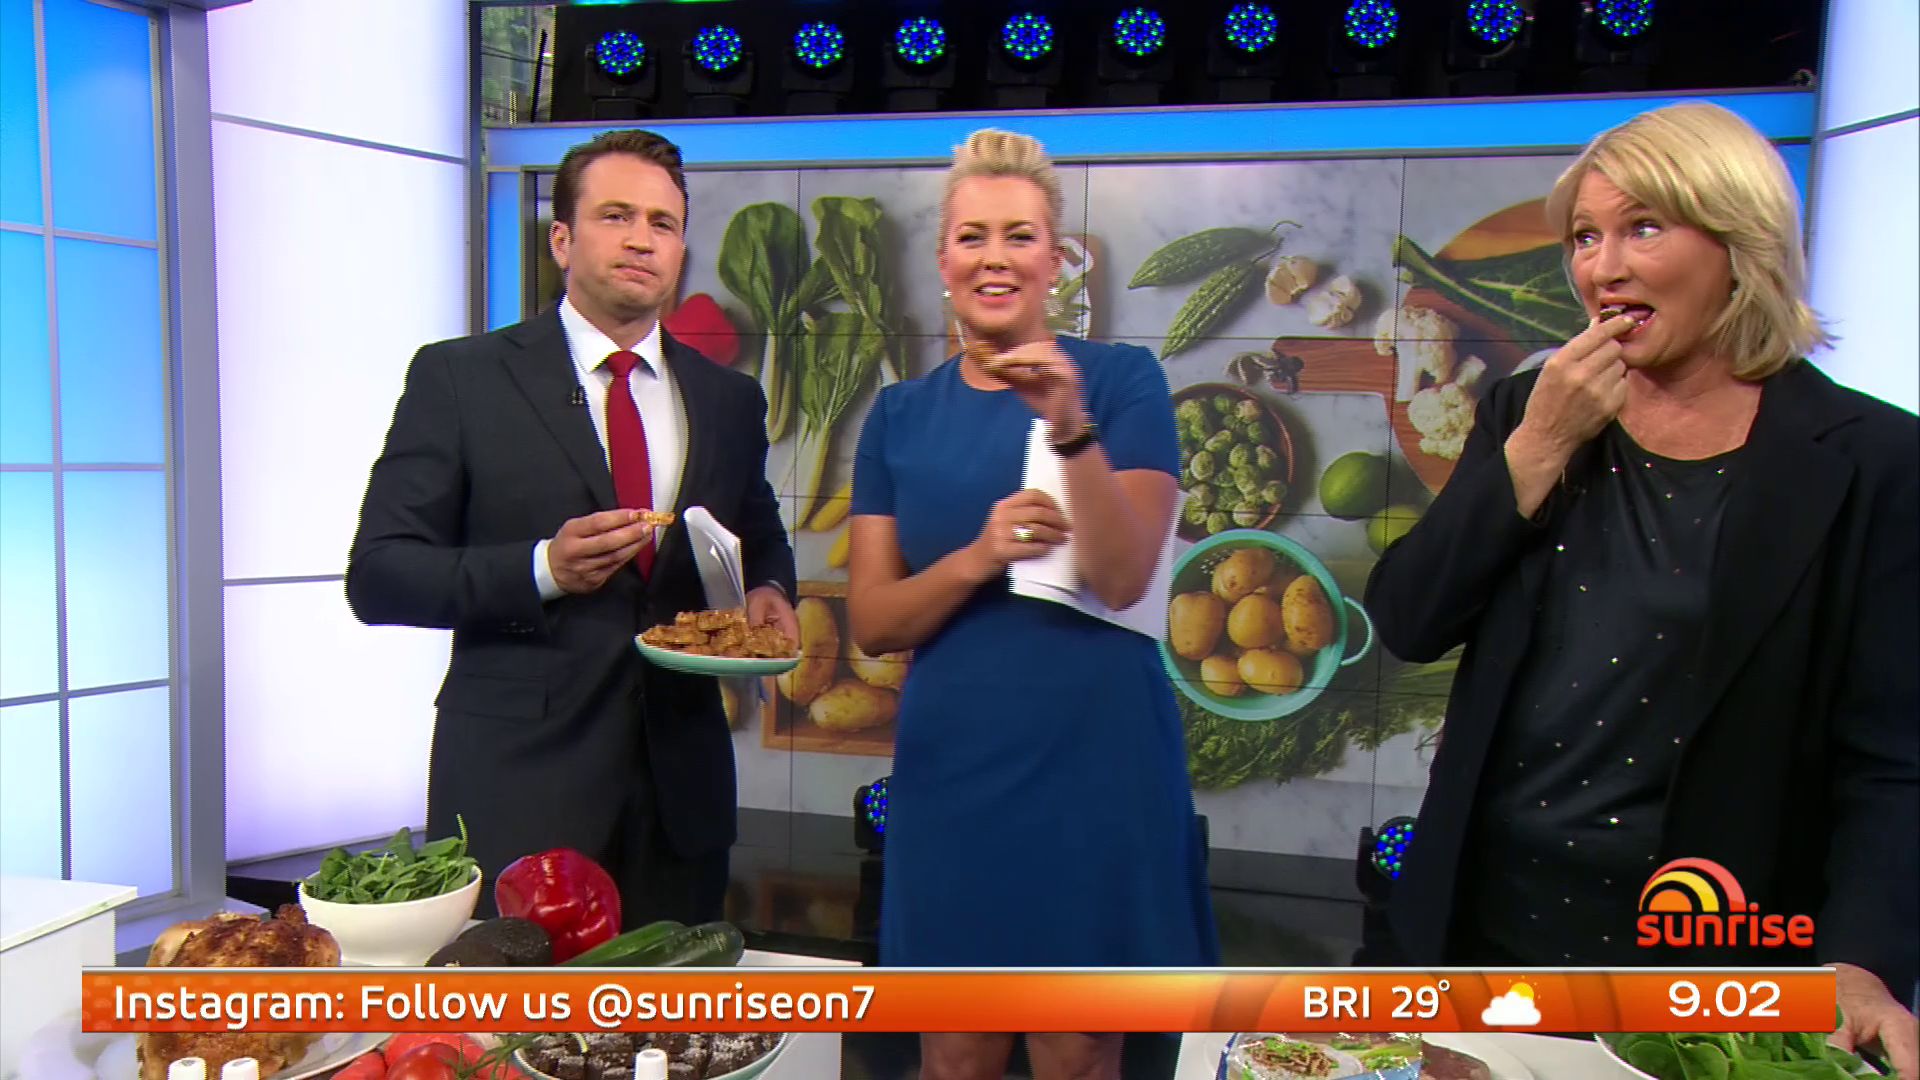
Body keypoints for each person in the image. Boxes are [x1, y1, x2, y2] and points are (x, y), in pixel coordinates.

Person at [1362, 101, 1917, 1074]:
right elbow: (1408, 618)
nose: (1601, 269)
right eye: (1585, 237)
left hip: (1709, 963)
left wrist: (1860, 962)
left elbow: (1894, 762)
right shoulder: (1526, 413)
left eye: (1643, 229)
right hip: (1484, 933)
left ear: (1740, 244)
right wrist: (1538, 447)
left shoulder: (1875, 462)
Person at [345, 129, 798, 929]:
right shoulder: (461, 378)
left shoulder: (727, 399)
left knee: (672, 1009)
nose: (641, 239)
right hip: (520, 793)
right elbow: (380, 575)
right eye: (616, 216)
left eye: (662, 223)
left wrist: (769, 589)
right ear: (562, 239)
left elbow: (757, 532)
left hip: (678, 804)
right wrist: (543, 570)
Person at [845, 129, 1219, 1080]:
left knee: (1080, 1044)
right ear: (943, 263)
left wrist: (1070, 427)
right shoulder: (899, 417)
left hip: (1097, 765)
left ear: (1058, 260)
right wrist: (978, 556)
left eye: (1020, 236)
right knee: (956, 1046)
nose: (995, 258)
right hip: (955, 771)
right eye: (972, 237)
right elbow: (876, 623)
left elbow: (1125, 573)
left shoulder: (1121, 382)